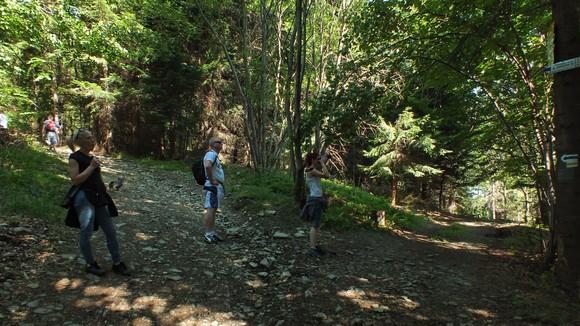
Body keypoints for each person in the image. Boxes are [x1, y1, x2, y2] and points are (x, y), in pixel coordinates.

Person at [65, 128, 130, 276]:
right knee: (86, 232)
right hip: (84, 197)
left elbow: (96, 179)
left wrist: (106, 189)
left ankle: (117, 263)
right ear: (79, 141)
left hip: (99, 197)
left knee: (111, 231)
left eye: (92, 137)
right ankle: (90, 264)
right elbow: (75, 180)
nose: (92, 140)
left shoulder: (91, 157)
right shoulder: (74, 157)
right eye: (88, 138)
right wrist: (91, 167)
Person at [302, 151, 330, 258]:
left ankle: (316, 246)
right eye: (316, 158)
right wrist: (322, 163)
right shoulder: (310, 170)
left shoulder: (311, 169)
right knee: (315, 225)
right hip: (314, 199)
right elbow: (327, 175)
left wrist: (322, 162)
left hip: (317, 198)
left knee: (317, 225)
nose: (319, 160)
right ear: (313, 160)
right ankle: (312, 248)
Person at [202, 136, 225, 244]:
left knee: (213, 209)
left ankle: (211, 232)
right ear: (212, 144)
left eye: (221, 142)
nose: (221, 143)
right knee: (210, 209)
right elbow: (207, 166)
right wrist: (212, 180)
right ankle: (208, 234)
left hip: (215, 186)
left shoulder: (215, 155)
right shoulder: (211, 153)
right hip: (213, 187)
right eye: (218, 142)